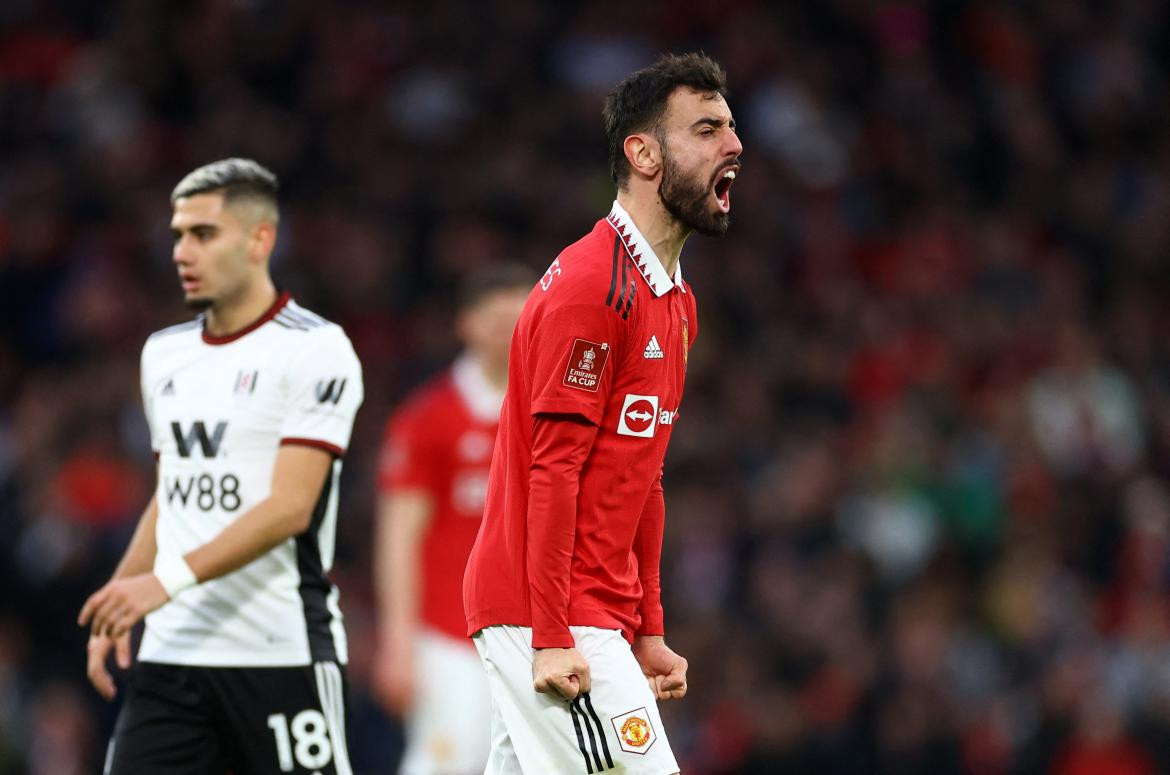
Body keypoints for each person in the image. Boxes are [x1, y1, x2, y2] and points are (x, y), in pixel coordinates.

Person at [462, 52, 742, 774]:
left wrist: (647, 627)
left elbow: (641, 478)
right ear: (643, 153)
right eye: (707, 129)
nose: (734, 145)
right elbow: (552, 469)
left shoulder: (676, 304)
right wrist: (554, 634)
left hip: (586, 614)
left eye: (731, 127)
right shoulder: (594, 288)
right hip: (548, 613)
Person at [77, 158, 364, 775]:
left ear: (261, 239)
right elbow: (173, 492)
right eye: (178, 234)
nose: (182, 250)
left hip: (279, 649)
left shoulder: (314, 348)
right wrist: (119, 599)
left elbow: (291, 507)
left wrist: (160, 584)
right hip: (173, 654)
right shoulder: (164, 354)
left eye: (203, 234)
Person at [372, 264, 533, 774]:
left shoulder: (557, 412)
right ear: (467, 325)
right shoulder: (430, 418)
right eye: (498, 319)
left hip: (540, 633)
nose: (510, 330)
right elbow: (399, 535)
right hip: (449, 634)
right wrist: (397, 642)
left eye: (521, 317)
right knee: (449, 761)